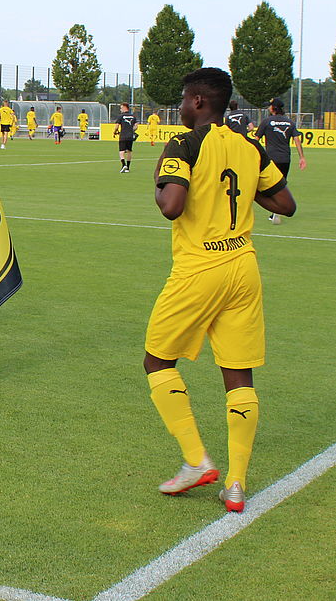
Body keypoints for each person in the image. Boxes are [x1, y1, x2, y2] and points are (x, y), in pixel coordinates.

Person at [141, 67, 296, 514]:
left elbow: (172, 206)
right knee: (239, 374)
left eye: (185, 100)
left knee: (157, 359)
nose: (182, 107)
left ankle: (196, 460)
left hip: (199, 269)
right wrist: (246, 192)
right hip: (243, 267)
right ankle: (235, 484)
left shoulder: (185, 143)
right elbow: (285, 203)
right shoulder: (248, 144)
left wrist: (159, 180)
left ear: (199, 102)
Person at [255, 98, 306, 224]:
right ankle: (275, 213)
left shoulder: (266, 122)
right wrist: (302, 157)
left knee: (266, 186)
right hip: (285, 159)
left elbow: (256, 140)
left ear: (274, 108)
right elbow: (297, 140)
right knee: (281, 185)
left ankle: (274, 211)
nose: (268, 108)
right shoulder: (289, 122)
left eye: (270, 106)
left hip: (270, 159)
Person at [116, 102, 138, 173]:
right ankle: (128, 168)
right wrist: (131, 129)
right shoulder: (133, 116)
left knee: (121, 151)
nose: (120, 109)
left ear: (125, 107)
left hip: (123, 135)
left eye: (121, 108)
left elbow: (117, 126)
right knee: (129, 151)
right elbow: (136, 126)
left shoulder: (121, 116)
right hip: (130, 136)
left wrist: (114, 131)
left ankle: (123, 164)